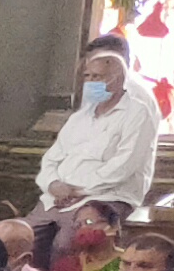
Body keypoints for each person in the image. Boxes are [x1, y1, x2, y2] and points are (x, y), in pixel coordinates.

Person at [37, 42, 163, 213]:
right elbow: (56, 155)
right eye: (87, 74)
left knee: (71, 236)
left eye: (97, 74)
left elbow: (125, 163)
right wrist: (54, 184)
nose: (89, 80)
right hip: (61, 196)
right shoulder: (86, 111)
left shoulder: (137, 102)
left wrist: (77, 189)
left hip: (107, 196)